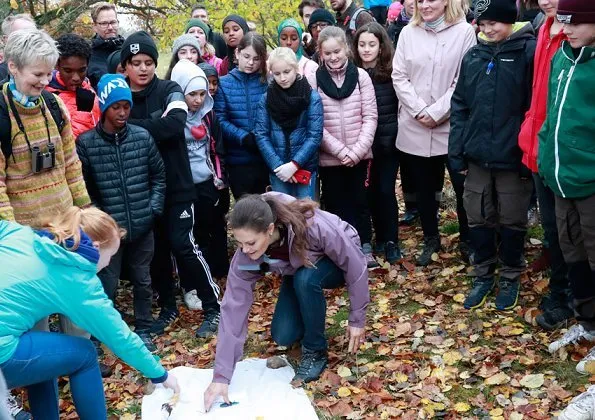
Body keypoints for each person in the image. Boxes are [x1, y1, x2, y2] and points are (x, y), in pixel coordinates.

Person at [0, 207, 180, 418]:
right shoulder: (79, 280)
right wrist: (159, 374)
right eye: (110, 256)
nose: (108, 263)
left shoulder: (21, 234)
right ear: (96, 247)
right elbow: (119, 336)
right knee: (85, 354)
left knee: (47, 354)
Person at [203, 193, 369, 409]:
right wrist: (221, 376)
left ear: (270, 229)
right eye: (239, 243)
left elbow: (355, 264)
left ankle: (315, 350)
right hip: (298, 266)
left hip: (334, 264)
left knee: (306, 280)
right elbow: (233, 308)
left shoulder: (314, 225)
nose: (245, 250)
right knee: (284, 334)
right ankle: (306, 313)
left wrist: (357, 319)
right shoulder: (246, 254)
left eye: (251, 242)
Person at [120, 31, 219, 336]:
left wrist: (131, 126)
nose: (143, 68)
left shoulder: (170, 89)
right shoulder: (121, 95)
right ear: (125, 66)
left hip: (177, 185)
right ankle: (168, 307)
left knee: (183, 244)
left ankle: (213, 306)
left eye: (149, 61)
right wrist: (150, 126)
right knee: (157, 251)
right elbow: (112, 127)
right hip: (143, 188)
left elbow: (174, 124)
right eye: (136, 62)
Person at [449, 0, 537, 311]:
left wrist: (528, 153)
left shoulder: (529, 53)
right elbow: (460, 105)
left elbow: (535, 106)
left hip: (513, 156)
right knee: (478, 215)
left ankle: (511, 275)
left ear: (509, 21)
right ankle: (483, 273)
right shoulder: (474, 55)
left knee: (512, 218)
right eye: (482, 24)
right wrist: (456, 150)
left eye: (493, 23)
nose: (487, 30)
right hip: (477, 156)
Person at [76, 74, 166, 351]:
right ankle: (104, 333)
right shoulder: (87, 144)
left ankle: (144, 328)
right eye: (117, 107)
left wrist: (152, 209)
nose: (123, 112)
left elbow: (159, 176)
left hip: (142, 224)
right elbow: (83, 188)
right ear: (104, 107)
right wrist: (100, 222)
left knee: (142, 280)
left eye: (127, 106)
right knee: (107, 284)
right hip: (107, 232)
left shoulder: (142, 137)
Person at [392, 0, 476, 266]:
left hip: (451, 125)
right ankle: (431, 238)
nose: (425, 5)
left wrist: (437, 112)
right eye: (420, 1)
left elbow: (463, 79)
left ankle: (467, 239)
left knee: (463, 188)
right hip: (415, 124)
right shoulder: (408, 33)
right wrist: (419, 110)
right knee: (425, 189)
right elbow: (399, 76)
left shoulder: (464, 33)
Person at [539, 0, 595, 376]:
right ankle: (587, 321)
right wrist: (545, 157)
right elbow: (551, 112)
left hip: (590, 181)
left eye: (575, 24)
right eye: (563, 23)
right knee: (571, 249)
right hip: (559, 178)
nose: (566, 30)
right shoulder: (561, 57)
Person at [0, 29, 91, 229]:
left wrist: (85, 211)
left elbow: (71, 162)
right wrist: (12, 234)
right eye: (38, 74)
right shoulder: (3, 113)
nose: (45, 81)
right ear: (13, 67)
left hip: (67, 225)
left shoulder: (54, 105)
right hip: (26, 234)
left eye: (49, 73)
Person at [306, 27, 378, 268]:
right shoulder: (314, 79)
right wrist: (339, 151)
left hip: (360, 156)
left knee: (361, 201)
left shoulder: (361, 77)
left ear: (346, 48)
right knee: (336, 203)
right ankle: (341, 249)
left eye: (337, 51)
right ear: (321, 53)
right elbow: (315, 122)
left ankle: (365, 245)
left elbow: (370, 117)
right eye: (328, 53)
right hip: (330, 157)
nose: (334, 56)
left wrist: (356, 151)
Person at [518, 0, 570, 329]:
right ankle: (561, 289)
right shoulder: (541, 28)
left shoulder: (576, 35)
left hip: (562, 152)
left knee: (567, 230)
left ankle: (568, 296)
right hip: (536, 143)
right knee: (551, 228)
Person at [170, 59, 231, 297]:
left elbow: (216, 149)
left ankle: (206, 282)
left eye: (202, 93)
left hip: (207, 183)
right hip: (183, 187)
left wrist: (219, 178)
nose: (198, 100)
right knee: (187, 239)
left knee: (205, 233)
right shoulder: (172, 118)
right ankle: (189, 285)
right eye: (192, 94)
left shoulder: (208, 116)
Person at [354, 22, 401, 264]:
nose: (366, 49)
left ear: (381, 46)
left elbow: (396, 108)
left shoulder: (390, 72)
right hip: (363, 145)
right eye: (362, 44)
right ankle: (376, 237)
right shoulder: (353, 73)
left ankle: (391, 238)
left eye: (371, 44)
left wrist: (392, 138)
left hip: (387, 143)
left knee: (385, 191)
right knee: (368, 193)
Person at [254, 48, 323, 199]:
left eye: (287, 72)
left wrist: (294, 165)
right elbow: (261, 134)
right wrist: (278, 166)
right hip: (278, 170)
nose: (282, 78)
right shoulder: (266, 99)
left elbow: (314, 136)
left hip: (305, 167)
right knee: (283, 216)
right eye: (277, 74)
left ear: (295, 68)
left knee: (305, 216)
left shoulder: (311, 97)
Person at [214, 32, 269, 199]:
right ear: (237, 53)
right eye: (246, 56)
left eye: (256, 58)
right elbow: (220, 119)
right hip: (238, 159)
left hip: (265, 157)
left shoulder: (268, 82)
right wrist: (243, 137)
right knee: (246, 209)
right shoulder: (224, 83)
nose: (251, 63)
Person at [198, 61, 231, 278]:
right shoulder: (194, 113)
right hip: (201, 179)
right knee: (202, 226)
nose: (211, 88)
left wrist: (221, 177)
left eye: (214, 83)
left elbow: (218, 148)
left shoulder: (214, 114)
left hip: (218, 177)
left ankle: (221, 268)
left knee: (219, 222)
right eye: (206, 83)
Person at [47, 33, 101, 139]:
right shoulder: (49, 97)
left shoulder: (89, 89)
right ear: (57, 65)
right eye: (68, 71)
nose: (76, 77)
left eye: (82, 70)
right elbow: (66, 144)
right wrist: (83, 114)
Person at [88, 2, 124, 90]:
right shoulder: (88, 55)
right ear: (95, 26)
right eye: (104, 23)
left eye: (113, 22)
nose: (110, 27)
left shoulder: (128, 50)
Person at [0, 14, 36, 82]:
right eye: (23, 35)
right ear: (6, 40)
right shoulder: (2, 74)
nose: (32, 39)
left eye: (35, 34)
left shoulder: (49, 68)